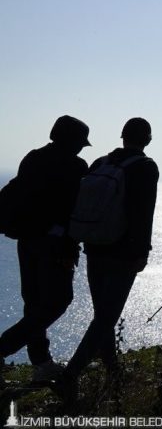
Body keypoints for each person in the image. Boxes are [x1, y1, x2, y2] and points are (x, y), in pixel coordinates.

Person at [57, 118, 159, 401]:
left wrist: (72, 242)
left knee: (103, 313)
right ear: (148, 140)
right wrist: (142, 251)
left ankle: (112, 369)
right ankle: (70, 375)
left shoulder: (100, 163)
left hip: (94, 246)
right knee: (106, 317)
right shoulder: (145, 167)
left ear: (122, 136)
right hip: (123, 252)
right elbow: (143, 212)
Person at [0, 116, 90, 386]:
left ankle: (41, 363)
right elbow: (73, 209)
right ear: (73, 141)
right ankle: (5, 349)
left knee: (34, 303)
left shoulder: (33, 158)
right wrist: (69, 245)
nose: (81, 148)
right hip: (55, 245)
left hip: (27, 240)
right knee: (58, 301)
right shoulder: (75, 166)